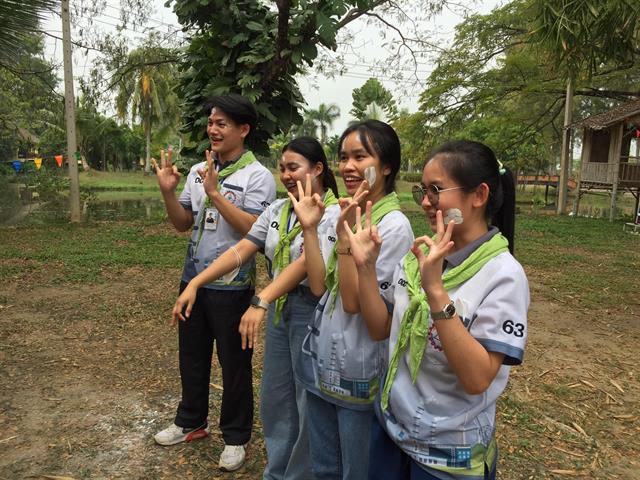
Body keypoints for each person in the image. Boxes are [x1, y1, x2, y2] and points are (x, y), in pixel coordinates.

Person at [345, 140, 529, 479]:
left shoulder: (504, 276)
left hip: (448, 455)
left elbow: (477, 379)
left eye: (436, 190)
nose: (426, 202)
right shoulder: (418, 257)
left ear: (479, 195)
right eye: (422, 191)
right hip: (392, 431)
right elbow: (378, 329)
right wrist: (366, 268)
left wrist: (435, 291)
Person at [173, 137, 340, 479]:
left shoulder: (336, 214)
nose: (286, 175)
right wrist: (195, 282)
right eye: (282, 168)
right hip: (283, 311)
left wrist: (261, 300)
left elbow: (310, 263)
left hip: (315, 310)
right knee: (276, 399)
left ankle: (301, 474)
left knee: (308, 402)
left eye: (294, 167)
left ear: (318, 169)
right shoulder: (278, 210)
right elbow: (240, 251)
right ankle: (277, 472)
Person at [152, 94, 276, 472]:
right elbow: (182, 223)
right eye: (211, 122)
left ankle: (236, 437)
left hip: (233, 286)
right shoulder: (195, 170)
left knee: (234, 362)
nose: (213, 129)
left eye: (222, 123)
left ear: (244, 130)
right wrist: (169, 191)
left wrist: (216, 195)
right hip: (193, 280)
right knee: (190, 355)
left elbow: (253, 232)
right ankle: (191, 421)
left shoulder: (258, 177)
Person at [285, 120, 415, 480]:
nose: (348, 167)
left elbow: (354, 303)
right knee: (325, 466)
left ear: (386, 166)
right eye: (343, 157)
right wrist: (311, 228)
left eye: (361, 156)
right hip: (325, 360)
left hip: (358, 365)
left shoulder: (392, 226)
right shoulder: (341, 212)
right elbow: (316, 286)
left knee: (355, 470)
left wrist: (344, 241)